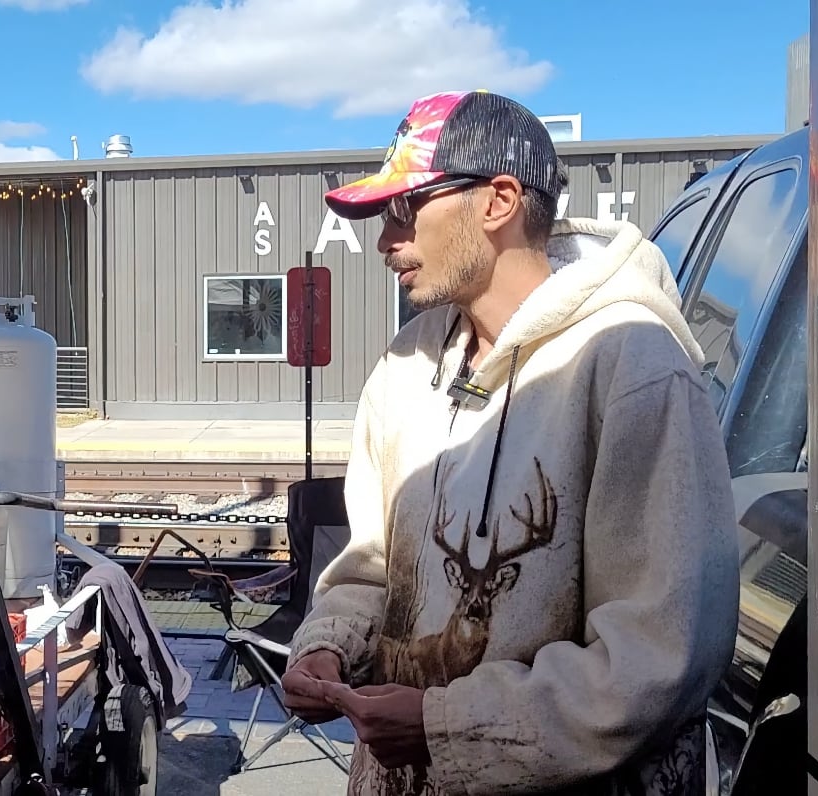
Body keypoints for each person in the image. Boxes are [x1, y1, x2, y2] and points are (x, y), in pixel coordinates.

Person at [280, 89, 738, 795]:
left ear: (497, 201)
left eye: (405, 209)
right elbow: (371, 567)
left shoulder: (634, 367)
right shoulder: (404, 366)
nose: (384, 241)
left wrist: (447, 726)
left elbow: (659, 655)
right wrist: (329, 647)